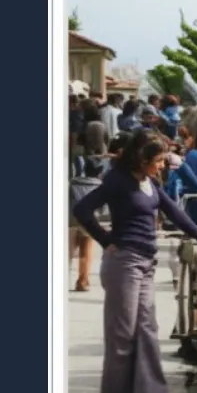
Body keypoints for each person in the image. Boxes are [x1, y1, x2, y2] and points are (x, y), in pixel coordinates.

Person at [71, 130, 197, 393]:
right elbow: (82, 209)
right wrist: (105, 240)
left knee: (148, 329)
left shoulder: (151, 183)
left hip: (147, 263)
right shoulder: (117, 180)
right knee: (123, 333)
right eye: (158, 161)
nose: (162, 166)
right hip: (123, 263)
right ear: (141, 158)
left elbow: (174, 212)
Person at [69, 121, 112, 292]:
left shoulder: (75, 152)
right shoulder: (105, 158)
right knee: (87, 243)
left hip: (73, 197)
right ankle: (83, 279)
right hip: (93, 202)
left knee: (68, 244)